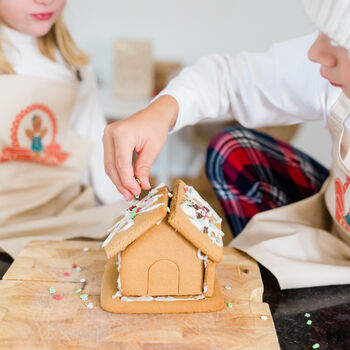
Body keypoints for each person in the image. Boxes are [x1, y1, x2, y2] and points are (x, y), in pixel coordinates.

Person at [103, 0, 350, 289]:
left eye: (339, 42)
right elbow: (229, 79)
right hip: (332, 228)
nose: (316, 52)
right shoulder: (324, 74)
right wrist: (161, 112)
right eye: (322, 33)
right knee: (231, 150)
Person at [0, 0, 126, 262]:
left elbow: (96, 146)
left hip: (62, 217)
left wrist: (127, 206)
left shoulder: (75, 68)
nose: (45, 1)